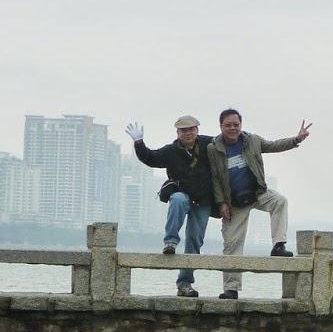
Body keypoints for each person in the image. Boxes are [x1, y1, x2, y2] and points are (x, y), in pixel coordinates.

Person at [207, 109, 312, 299]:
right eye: (228, 125)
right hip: (234, 202)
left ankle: (278, 245)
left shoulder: (252, 140)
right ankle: (231, 289)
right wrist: (221, 202)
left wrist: (296, 139)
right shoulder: (214, 148)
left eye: (236, 124)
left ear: (241, 125)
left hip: (257, 192)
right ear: (221, 126)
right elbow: (215, 177)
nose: (233, 128)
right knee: (232, 244)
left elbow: (273, 145)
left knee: (280, 201)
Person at [125, 115, 216, 297]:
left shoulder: (209, 145)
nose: (188, 133)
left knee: (194, 241)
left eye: (191, 129)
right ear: (177, 132)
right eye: (184, 130)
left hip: (203, 199)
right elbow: (150, 157)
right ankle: (171, 241)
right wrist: (139, 142)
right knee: (178, 200)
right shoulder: (171, 151)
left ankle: (184, 284)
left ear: (197, 130)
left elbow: (229, 143)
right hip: (183, 194)